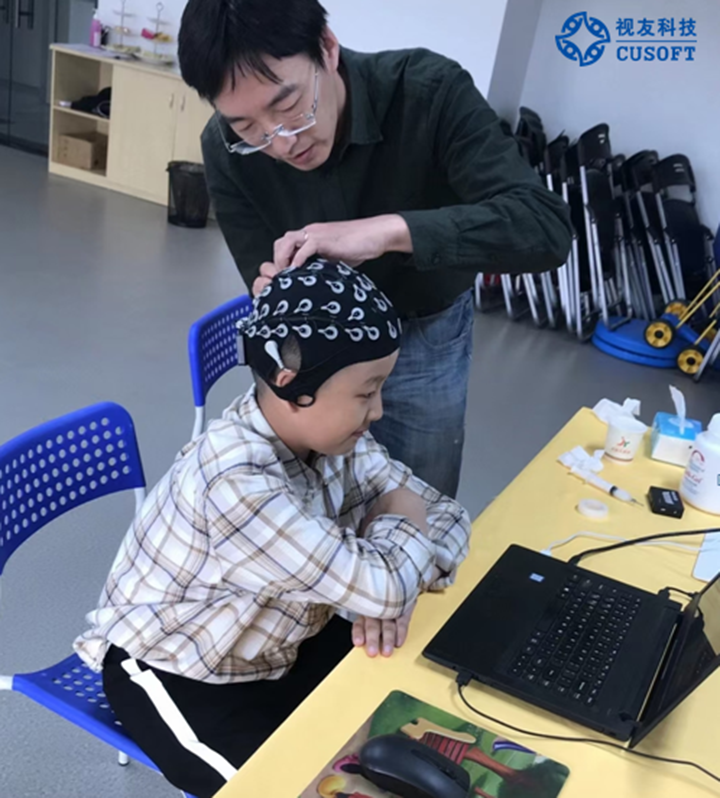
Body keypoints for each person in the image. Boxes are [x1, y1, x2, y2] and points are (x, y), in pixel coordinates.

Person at [74, 261, 471, 798]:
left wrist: (397, 572)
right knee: (285, 788)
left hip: (280, 645)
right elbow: (387, 576)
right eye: (367, 392)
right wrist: (398, 538)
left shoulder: (330, 438)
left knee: (407, 693)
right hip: (180, 672)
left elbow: (448, 516)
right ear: (293, 386)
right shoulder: (236, 484)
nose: (378, 411)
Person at [177, 0, 573, 500]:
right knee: (311, 509)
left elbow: (544, 227)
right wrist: (275, 289)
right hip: (320, 353)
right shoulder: (225, 150)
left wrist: (387, 231)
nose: (280, 143)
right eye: (247, 127)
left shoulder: (428, 93)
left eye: (288, 106)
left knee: (421, 501)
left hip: (424, 333)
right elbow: (265, 280)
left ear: (327, 47)